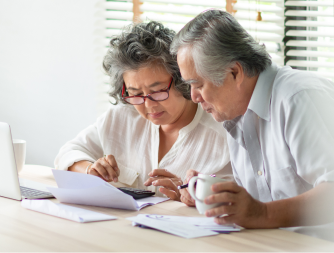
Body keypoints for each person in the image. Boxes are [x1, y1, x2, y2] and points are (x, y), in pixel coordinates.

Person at [171, 9, 334, 240]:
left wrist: (262, 213)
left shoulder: (299, 98)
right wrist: (214, 193)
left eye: (197, 84)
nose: (194, 97)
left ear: (234, 72)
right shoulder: (236, 111)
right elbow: (267, 196)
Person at [55, 21, 232, 200]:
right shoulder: (121, 118)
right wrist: (89, 170)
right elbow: (68, 152)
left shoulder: (224, 135)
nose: (148, 105)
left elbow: (240, 200)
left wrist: (192, 196)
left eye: (157, 91)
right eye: (136, 94)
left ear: (181, 80)